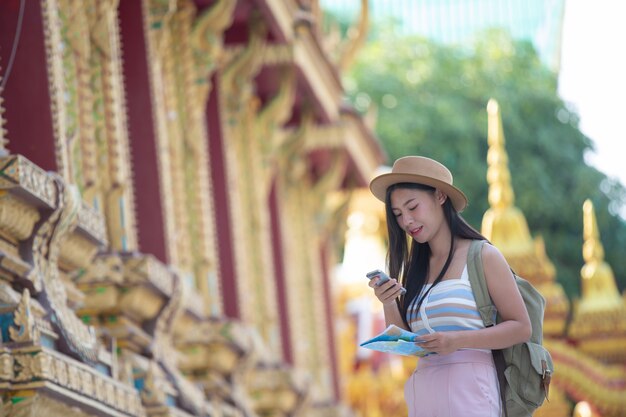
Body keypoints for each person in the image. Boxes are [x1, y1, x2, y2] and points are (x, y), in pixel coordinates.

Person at [367, 156, 531, 417]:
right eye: (398, 215)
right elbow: (409, 343)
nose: (406, 221)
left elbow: (521, 327)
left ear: (440, 196)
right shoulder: (414, 269)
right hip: (424, 395)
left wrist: (458, 341)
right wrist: (387, 301)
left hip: (471, 393)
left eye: (412, 207)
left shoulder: (482, 256)